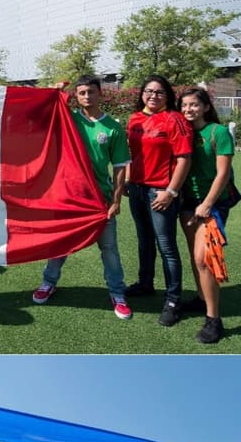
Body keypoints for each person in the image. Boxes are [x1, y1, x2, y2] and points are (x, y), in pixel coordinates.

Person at [31, 76, 133, 320]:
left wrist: (116, 200)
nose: (87, 96)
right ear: (76, 96)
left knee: (109, 248)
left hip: (100, 199)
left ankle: (117, 293)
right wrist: (54, 93)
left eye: (91, 92)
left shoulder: (112, 127)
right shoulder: (68, 120)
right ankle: (48, 282)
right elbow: (37, 115)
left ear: (101, 94)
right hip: (69, 196)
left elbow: (120, 167)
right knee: (60, 244)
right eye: (82, 93)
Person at [124, 75, 192, 327]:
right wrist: (128, 180)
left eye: (160, 92)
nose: (153, 95)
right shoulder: (135, 118)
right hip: (137, 190)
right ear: (142, 93)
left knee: (167, 246)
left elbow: (184, 158)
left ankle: (173, 300)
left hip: (160, 192)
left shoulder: (175, 119)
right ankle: (145, 283)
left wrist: (171, 192)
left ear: (168, 95)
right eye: (149, 91)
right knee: (144, 240)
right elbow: (132, 153)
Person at [176, 88, 236, 345]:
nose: (189, 110)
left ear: (205, 107)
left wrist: (208, 204)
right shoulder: (184, 131)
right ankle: (202, 299)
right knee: (194, 255)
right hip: (187, 202)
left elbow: (223, 173)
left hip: (212, 204)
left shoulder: (218, 133)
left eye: (194, 105)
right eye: (184, 105)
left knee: (204, 259)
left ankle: (214, 320)